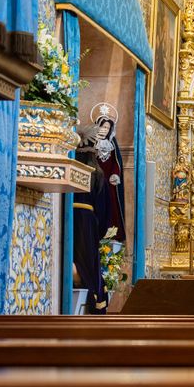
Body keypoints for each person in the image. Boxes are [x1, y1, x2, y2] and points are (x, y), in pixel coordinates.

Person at [72, 136, 110, 315]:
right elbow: (103, 209)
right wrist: (99, 230)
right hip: (88, 221)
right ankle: (92, 298)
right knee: (87, 263)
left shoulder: (72, 169)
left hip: (69, 217)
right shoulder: (98, 173)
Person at [93, 116, 126, 243]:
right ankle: (97, 230)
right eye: (103, 126)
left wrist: (115, 174)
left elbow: (116, 162)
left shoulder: (112, 144)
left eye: (108, 127)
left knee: (111, 206)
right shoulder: (92, 141)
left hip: (109, 181)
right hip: (96, 179)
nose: (105, 129)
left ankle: (111, 234)